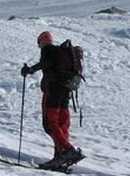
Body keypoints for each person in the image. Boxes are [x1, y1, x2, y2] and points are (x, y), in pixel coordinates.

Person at [21, 31, 83, 169]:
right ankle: (60, 155)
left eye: (39, 43)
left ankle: (68, 150)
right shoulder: (61, 53)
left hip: (54, 89)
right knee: (62, 122)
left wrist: (30, 70)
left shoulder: (48, 49)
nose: (39, 46)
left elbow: (46, 62)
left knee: (50, 123)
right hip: (66, 89)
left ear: (42, 41)